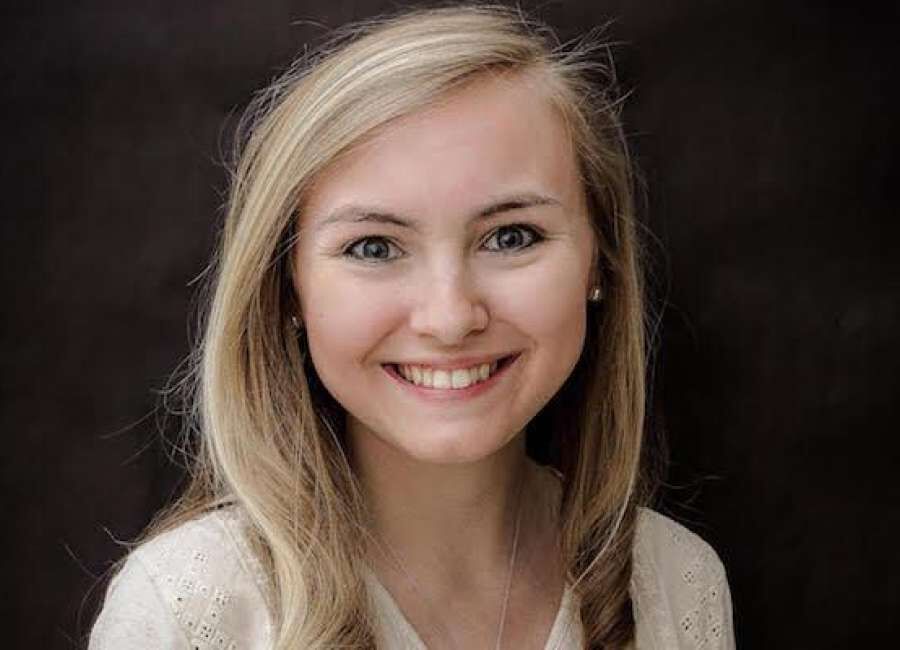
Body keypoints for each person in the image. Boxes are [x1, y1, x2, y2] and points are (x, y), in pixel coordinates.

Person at [89, 3, 735, 649]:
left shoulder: (676, 582)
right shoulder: (189, 607)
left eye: (511, 236)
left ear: (600, 263)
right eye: (374, 247)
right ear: (287, 288)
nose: (450, 319)